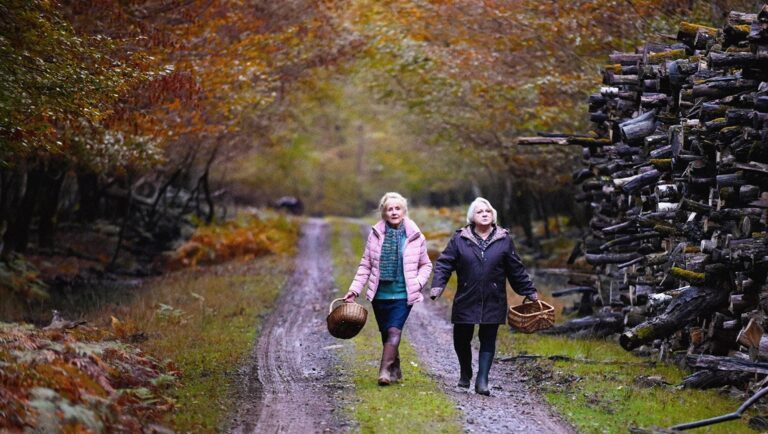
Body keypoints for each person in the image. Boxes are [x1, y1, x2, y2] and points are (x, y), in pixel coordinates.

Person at [430, 197, 539, 396]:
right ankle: (465, 371)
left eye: (488, 211)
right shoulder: (460, 238)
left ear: (493, 215)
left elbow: (516, 268)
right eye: (480, 211)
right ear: (473, 216)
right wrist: (438, 286)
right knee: (461, 338)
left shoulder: (504, 238)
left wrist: (529, 291)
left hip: (493, 297)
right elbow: (445, 263)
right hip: (466, 295)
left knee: (488, 337)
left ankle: (482, 380)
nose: (485, 214)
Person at [343, 192, 433, 385]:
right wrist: (354, 289)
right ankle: (396, 368)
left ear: (404, 211)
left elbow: (426, 265)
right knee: (386, 333)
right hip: (380, 294)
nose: (394, 212)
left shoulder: (415, 236)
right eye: (389, 209)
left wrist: (417, 283)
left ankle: (383, 371)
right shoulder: (375, 235)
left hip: (403, 294)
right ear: (383, 213)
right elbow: (366, 264)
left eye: (397, 208)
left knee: (394, 331)